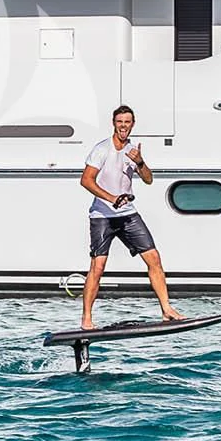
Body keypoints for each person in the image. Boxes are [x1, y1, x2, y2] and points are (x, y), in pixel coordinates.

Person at [79, 105, 184, 330]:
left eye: (127, 122)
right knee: (98, 267)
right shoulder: (102, 149)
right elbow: (86, 180)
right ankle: (87, 320)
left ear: (132, 125)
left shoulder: (133, 150)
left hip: (127, 214)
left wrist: (140, 162)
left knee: (154, 258)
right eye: (120, 122)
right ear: (114, 123)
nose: (123, 126)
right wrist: (111, 198)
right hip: (102, 216)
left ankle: (166, 309)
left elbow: (148, 179)